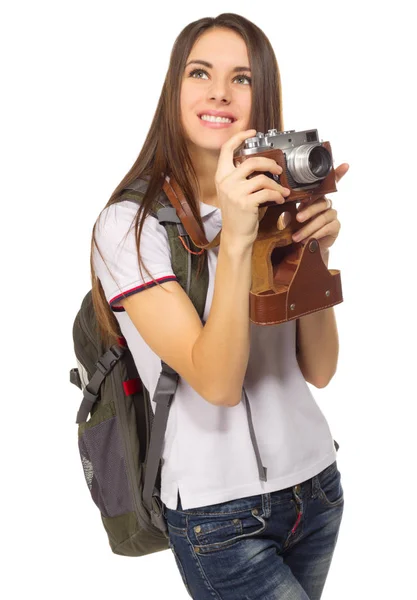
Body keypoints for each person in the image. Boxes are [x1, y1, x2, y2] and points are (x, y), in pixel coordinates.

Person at [91, 12, 349, 600]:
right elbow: (217, 380)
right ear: (174, 91)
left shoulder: (275, 203)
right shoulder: (128, 228)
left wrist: (306, 251)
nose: (218, 93)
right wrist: (235, 240)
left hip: (317, 486)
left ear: (264, 99)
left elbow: (322, 368)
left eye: (242, 79)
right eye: (200, 73)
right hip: (218, 518)